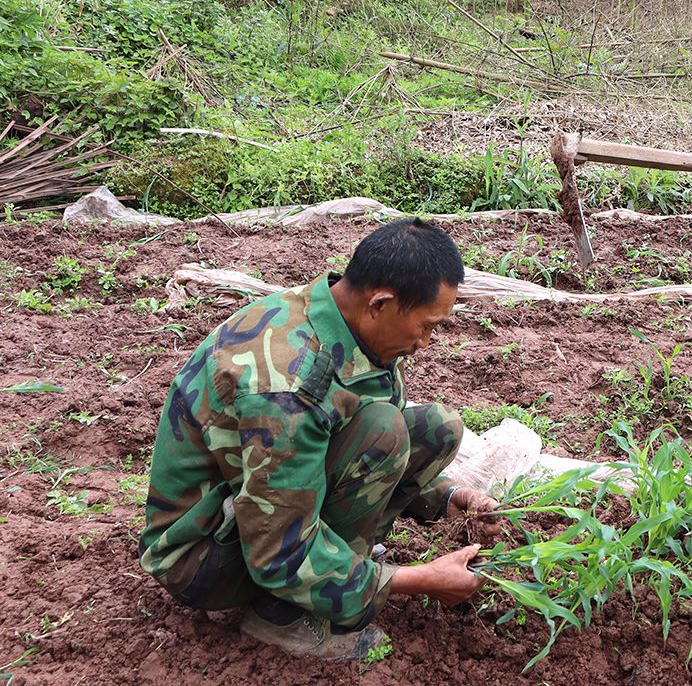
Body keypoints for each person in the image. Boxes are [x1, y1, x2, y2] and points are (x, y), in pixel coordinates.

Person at [139, 217, 499, 660]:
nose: (426, 342)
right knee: (383, 430)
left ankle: (341, 566)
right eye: (427, 326)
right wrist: (410, 579)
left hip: (257, 502)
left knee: (436, 427)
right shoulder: (288, 389)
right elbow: (279, 551)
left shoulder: (338, 317)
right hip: (204, 557)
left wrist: (446, 497)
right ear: (381, 303)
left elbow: (339, 434)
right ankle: (282, 617)